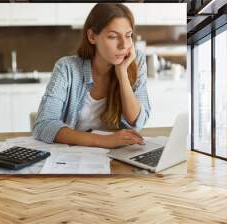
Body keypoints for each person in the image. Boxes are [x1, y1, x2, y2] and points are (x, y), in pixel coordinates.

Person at [33, 3, 151, 149]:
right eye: (113, 37)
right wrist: (103, 141)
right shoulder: (67, 68)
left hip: (119, 156)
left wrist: (122, 74)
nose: (123, 45)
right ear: (92, 37)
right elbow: (43, 125)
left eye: (128, 36)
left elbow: (137, 122)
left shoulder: (135, 61)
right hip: (74, 157)